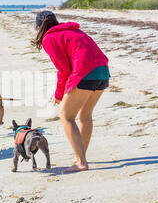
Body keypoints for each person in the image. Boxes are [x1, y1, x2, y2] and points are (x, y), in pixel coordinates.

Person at [32, 11, 110, 173]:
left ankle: (81, 161)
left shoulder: (49, 38)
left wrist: (58, 95)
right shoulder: (73, 30)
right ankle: (80, 156)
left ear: (39, 27)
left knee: (66, 117)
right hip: (102, 72)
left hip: (86, 74)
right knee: (85, 116)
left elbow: (64, 70)